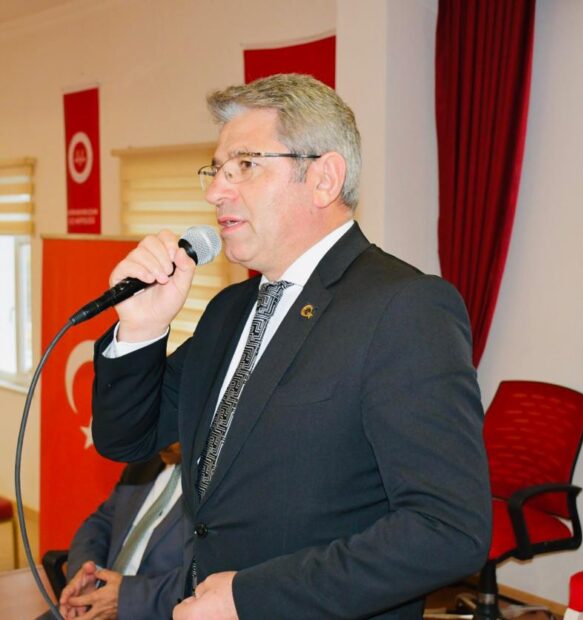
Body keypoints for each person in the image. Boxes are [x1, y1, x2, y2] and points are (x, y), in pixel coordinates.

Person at [90, 73, 491, 620]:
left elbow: (447, 529)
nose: (215, 191)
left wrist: (250, 597)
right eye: (216, 170)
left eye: (244, 165)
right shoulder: (229, 310)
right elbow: (127, 439)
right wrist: (141, 329)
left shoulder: (405, 308)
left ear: (324, 178)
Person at [54, 442, 186, 620]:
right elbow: (102, 523)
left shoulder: (219, 486)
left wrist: (124, 598)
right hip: (93, 602)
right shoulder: (146, 458)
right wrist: (87, 573)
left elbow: (206, 577)